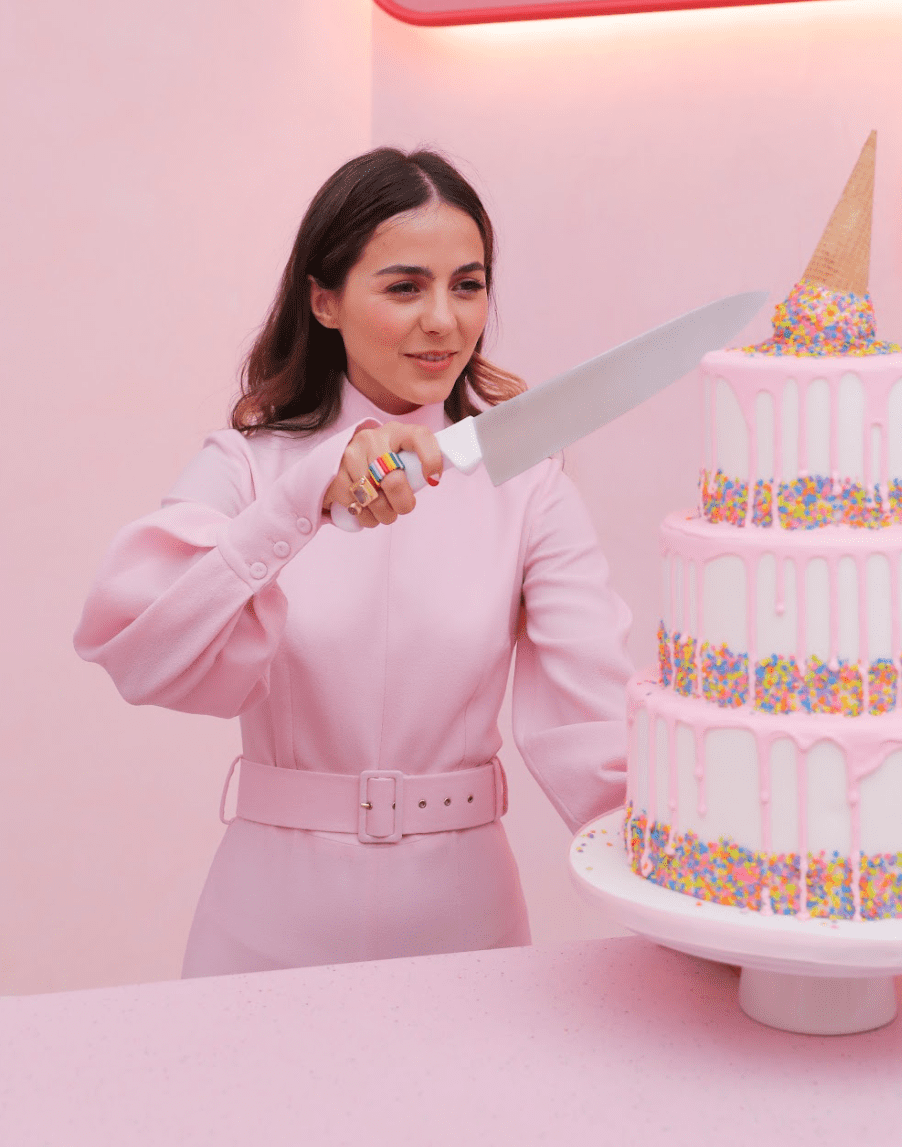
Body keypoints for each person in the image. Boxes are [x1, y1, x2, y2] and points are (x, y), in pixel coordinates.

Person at [75, 148, 633, 977]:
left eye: (468, 285)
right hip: (269, 915)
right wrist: (301, 497)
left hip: (464, 919)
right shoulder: (246, 468)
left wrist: (697, 883)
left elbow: (595, 729)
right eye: (405, 286)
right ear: (325, 299)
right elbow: (138, 645)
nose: (443, 319)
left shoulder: (529, 484)